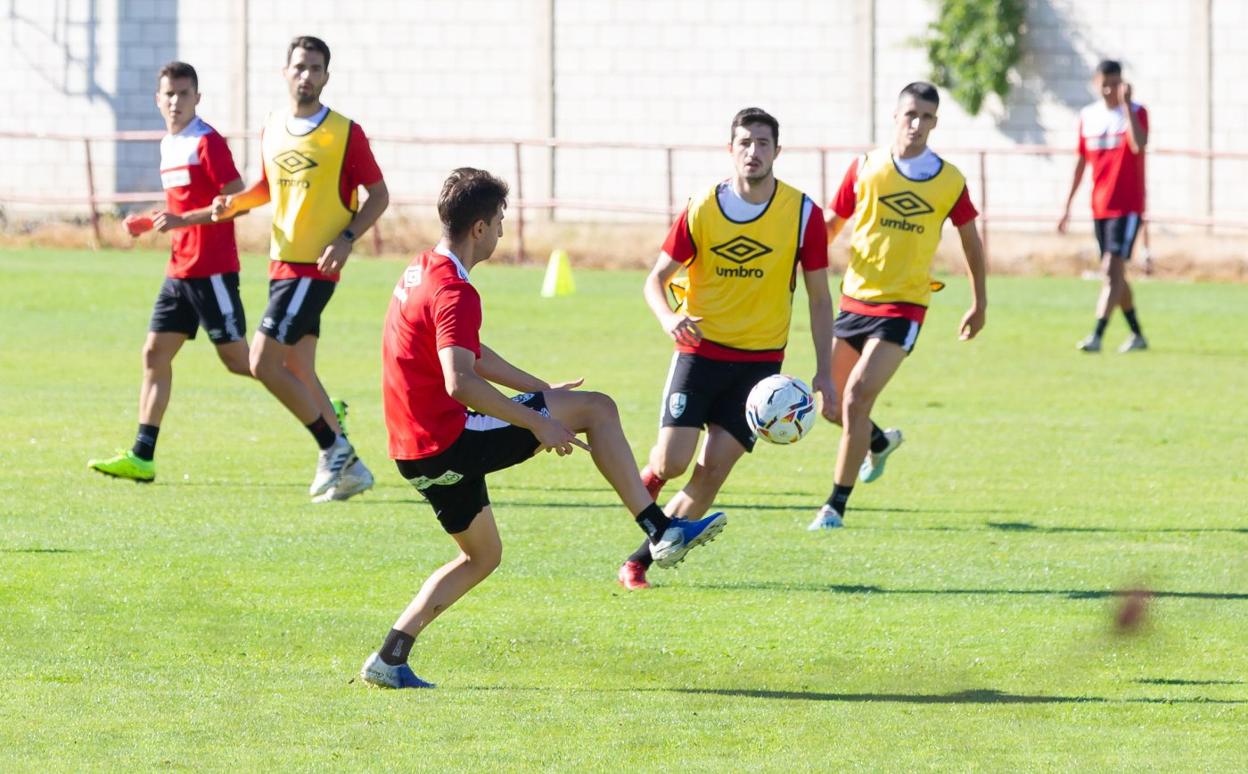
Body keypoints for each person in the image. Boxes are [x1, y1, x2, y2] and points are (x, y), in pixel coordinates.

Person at [358, 168, 725, 688]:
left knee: (483, 556)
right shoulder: (456, 292)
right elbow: (460, 381)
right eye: (501, 220)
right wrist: (539, 420)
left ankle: (390, 655)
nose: (505, 231)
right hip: (448, 439)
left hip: (412, 450)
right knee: (597, 409)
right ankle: (659, 530)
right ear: (480, 228)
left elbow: (472, 354)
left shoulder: (420, 270)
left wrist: (540, 387)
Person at [615, 107, 834, 590]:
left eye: (762, 143)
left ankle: (638, 563)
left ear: (777, 151)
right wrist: (671, 319)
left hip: (759, 370)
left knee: (711, 473)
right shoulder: (702, 207)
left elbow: (820, 298)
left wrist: (825, 371)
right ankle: (652, 478)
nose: (753, 151)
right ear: (729, 149)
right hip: (700, 353)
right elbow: (656, 281)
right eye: (744, 142)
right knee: (673, 463)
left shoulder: (803, 214)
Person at [212, 35, 389, 502]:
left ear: (327, 76)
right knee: (299, 368)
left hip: (317, 266)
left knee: (262, 362)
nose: (306, 75)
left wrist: (347, 239)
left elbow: (379, 195)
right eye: (299, 66)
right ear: (284, 72)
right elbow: (267, 188)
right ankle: (350, 467)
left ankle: (333, 448)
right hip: (280, 264)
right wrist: (233, 205)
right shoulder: (271, 125)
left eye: (315, 67)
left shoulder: (345, 132)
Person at [808, 81, 987, 530]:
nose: (916, 124)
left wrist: (979, 301)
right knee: (830, 403)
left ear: (935, 122)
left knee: (855, 397)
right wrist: (797, 261)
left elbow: (970, 240)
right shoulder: (866, 167)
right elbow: (832, 224)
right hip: (854, 300)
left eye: (926, 117)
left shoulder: (949, 180)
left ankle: (835, 506)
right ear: (894, 115)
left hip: (903, 306)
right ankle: (879, 442)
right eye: (910, 114)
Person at [88, 61, 247, 482]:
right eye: (168, 94)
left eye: (183, 93)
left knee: (241, 361)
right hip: (179, 270)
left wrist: (183, 220)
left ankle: (322, 404)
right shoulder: (169, 143)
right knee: (154, 354)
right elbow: (181, 209)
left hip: (211, 269)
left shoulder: (207, 142)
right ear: (158, 99)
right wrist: (150, 220)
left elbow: (236, 198)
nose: (175, 101)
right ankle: (143, 455)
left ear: (197, 97)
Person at [1058, 59, 1149, 353]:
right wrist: (1067, 207)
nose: (1110, 89)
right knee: (1116, 274)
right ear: (1096, 83)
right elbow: (1081, 163)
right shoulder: (1088, 117)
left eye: (1115, 83)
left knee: (1111, 269)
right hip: (1099, 207)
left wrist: (1126, 107)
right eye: (1105, 83)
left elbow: (1139, 145)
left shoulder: (1136, 113)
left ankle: (1097, 335)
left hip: (1128, 207)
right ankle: (1137, 334)